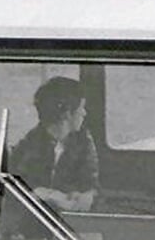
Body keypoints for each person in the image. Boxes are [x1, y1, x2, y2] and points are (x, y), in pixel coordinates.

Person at [7, 76, 98, 212]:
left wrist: (87, 196)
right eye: (81, 108)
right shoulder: (29, 146)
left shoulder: (84, 143)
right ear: (66, 113)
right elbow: (17, 189)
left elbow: (92, 182)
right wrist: (47, 195)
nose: (84, 113)